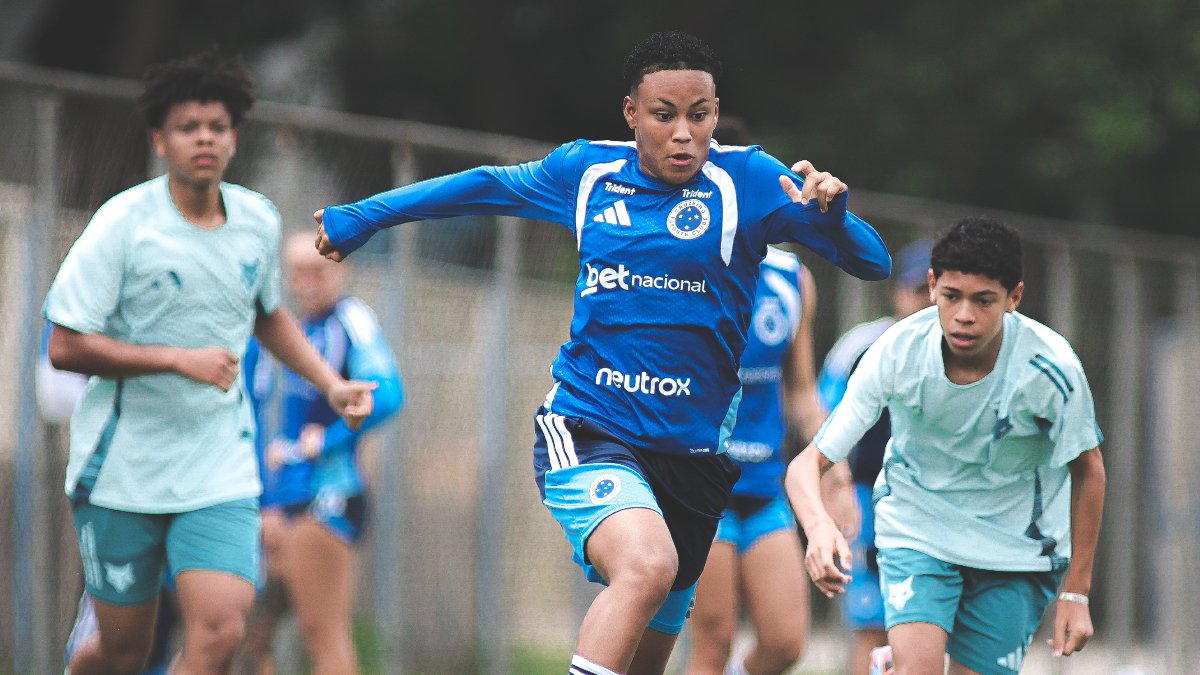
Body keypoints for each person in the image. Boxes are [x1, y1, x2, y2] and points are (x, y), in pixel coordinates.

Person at [314, 30, 891, 675]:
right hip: (590, 426)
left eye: (699, 117)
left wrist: (835, 214)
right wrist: (363, 216)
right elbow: (482, 186)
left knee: (648, 654)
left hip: (694, 459)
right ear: (631, 113)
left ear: (716, 114)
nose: (682, 134)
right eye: (663, 115)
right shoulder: (586, 173)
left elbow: (874, 262)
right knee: (647, 565)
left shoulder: (749, 181)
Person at [45, 48, 376, 675]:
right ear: (160, 140)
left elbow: (268, 315)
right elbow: (66, 345)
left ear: (233, 138)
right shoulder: (123, 225)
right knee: (122, 650)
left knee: (223, 630)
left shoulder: (255, 220)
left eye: (217, 128)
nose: (205, 138)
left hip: (218, 466)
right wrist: (174, 359)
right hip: (123, 469)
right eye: (188, 127)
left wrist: (330, 385)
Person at [786, 216, 1106, 675]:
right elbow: (806, 465)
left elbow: (1089, 470)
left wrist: (1076, 593)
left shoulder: (1051, 368)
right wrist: (818, 528)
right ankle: (905, 660)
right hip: (919, 533)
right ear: (933, 286)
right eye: (952, 297)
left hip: (1014, 551)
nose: (964, 316)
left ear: (1014, 297)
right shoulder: (896, 351)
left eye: (984, 301)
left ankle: (894, 661)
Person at [683, 116, 828, 675]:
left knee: (786, 643)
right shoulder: (683, 270)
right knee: (713, 640)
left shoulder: (793, 279)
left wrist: (831, 469)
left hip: (765, 484)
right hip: (701, 482)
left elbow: (802, 391)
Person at [234, 233, 404, 674]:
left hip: (326, 497)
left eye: (318, 272)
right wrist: (267, 501)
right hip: (281, 502)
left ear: (341, 270)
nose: (308, 283)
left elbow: (387, 394)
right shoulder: (291, 329)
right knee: (249, 636)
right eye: (298, 274)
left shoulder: (351, 319)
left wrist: (324, 442)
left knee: (322, 635)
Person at [815, 239, 933, 675]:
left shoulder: (966, 350)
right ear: (897, 292)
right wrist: (832, 499)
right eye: (917, 289)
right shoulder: (863, 347)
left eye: (935, 289)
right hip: (870, 501)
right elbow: (823, 426)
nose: (927, 300)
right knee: (872, 625)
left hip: (941, 504)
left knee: (933, 627)